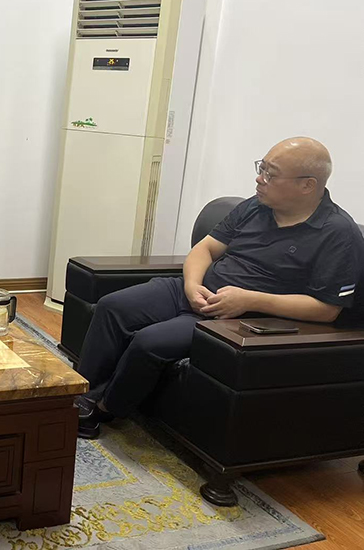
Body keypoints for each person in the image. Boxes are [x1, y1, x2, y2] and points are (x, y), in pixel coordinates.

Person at [76, 137, 364, 439]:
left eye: (271, 174)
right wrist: (192, 285)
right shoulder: (255, 206)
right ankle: (79, 396)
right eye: (261, 168)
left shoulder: (338, 234)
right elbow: (206, 248)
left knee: (150, 341)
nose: (259, 179)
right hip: (193, 290)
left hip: (238, 320)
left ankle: (106, 408)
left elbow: (327, 309)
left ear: (308, 185)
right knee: (113, 306)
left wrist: (250, 300)